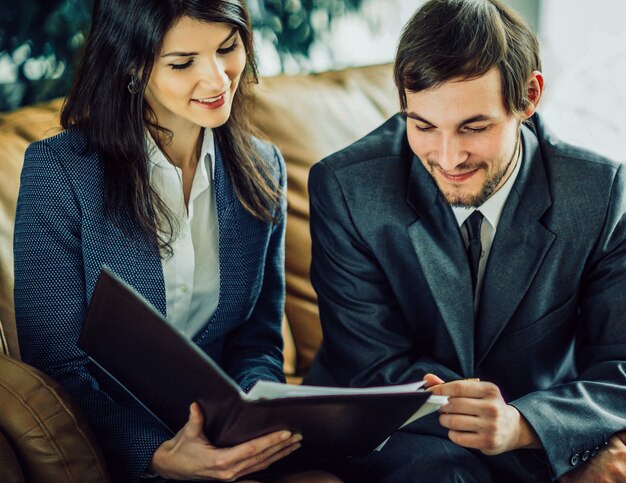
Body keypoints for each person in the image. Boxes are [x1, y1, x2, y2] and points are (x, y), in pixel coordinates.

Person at [13, 1, 340, 482]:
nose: (217, 79)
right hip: (126, 452)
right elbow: (57, 364)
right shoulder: (59, 173)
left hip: (230, 447)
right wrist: (157, 453)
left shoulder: (262, 167)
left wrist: (256, 420)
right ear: (131, 63)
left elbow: (257, 340)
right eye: (182, 63)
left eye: (228, 48)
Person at [305, 0, 626, 481]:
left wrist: (524, 425)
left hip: (529, 424)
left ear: (529, 97)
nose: (448, 157)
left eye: (474, 128)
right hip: (394, 429)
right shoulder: (347, 187)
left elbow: (619, 366)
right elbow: (370, 366)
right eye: (423, 126)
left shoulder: (599, 193)